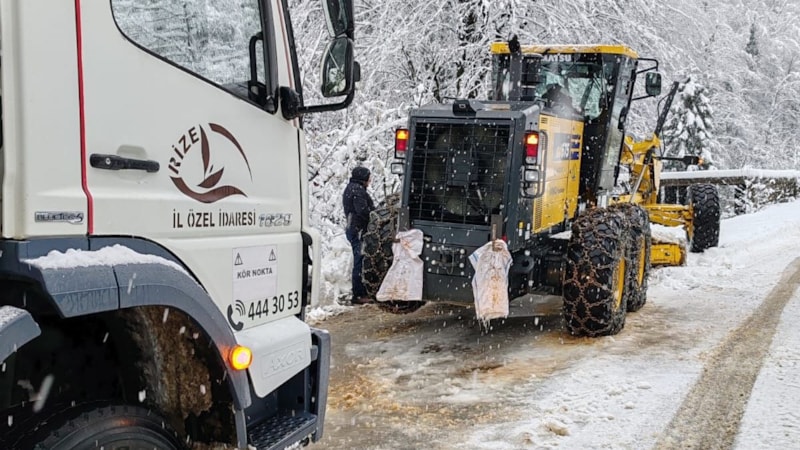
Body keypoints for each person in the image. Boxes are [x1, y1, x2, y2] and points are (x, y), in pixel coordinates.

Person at [342, 166, 375, 305]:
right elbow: (363, 211)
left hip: (353, 227)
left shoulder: (352, 188)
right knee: (360, 259)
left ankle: (361, 292)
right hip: (358, 229)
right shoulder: (357, 191)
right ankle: (359, 294)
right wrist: (373, 217)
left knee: (359, 258)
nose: (370, 180)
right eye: (368, 177)